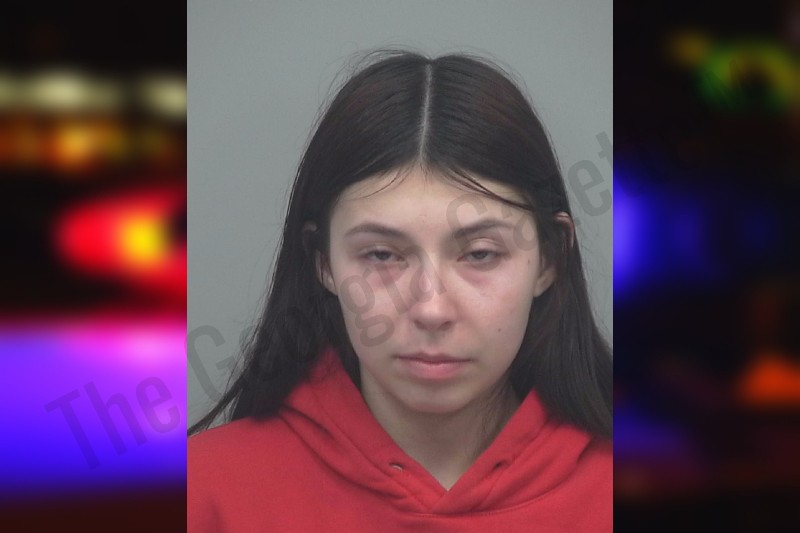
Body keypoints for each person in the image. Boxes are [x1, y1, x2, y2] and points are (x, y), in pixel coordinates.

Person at [188, 50, 612, 531]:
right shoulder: (200, 491)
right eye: (382, 255)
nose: (431, 308)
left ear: (550, 259)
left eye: (480, 254)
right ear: (323, 262)